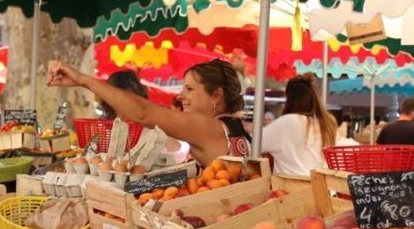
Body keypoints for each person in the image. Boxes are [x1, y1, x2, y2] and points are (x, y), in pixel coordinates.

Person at [48, 57, 250, 168]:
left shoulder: (209, 128)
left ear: (216, 96)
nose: (180, 96)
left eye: (189, 89)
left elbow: (143, 113)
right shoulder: (232, 126)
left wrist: (85, 80)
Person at [260, 75, 337, 176]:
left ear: (290, 98)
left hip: (292, 189)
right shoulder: (328, 122)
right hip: (324, 189)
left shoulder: (287, 122)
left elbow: (251, 145)